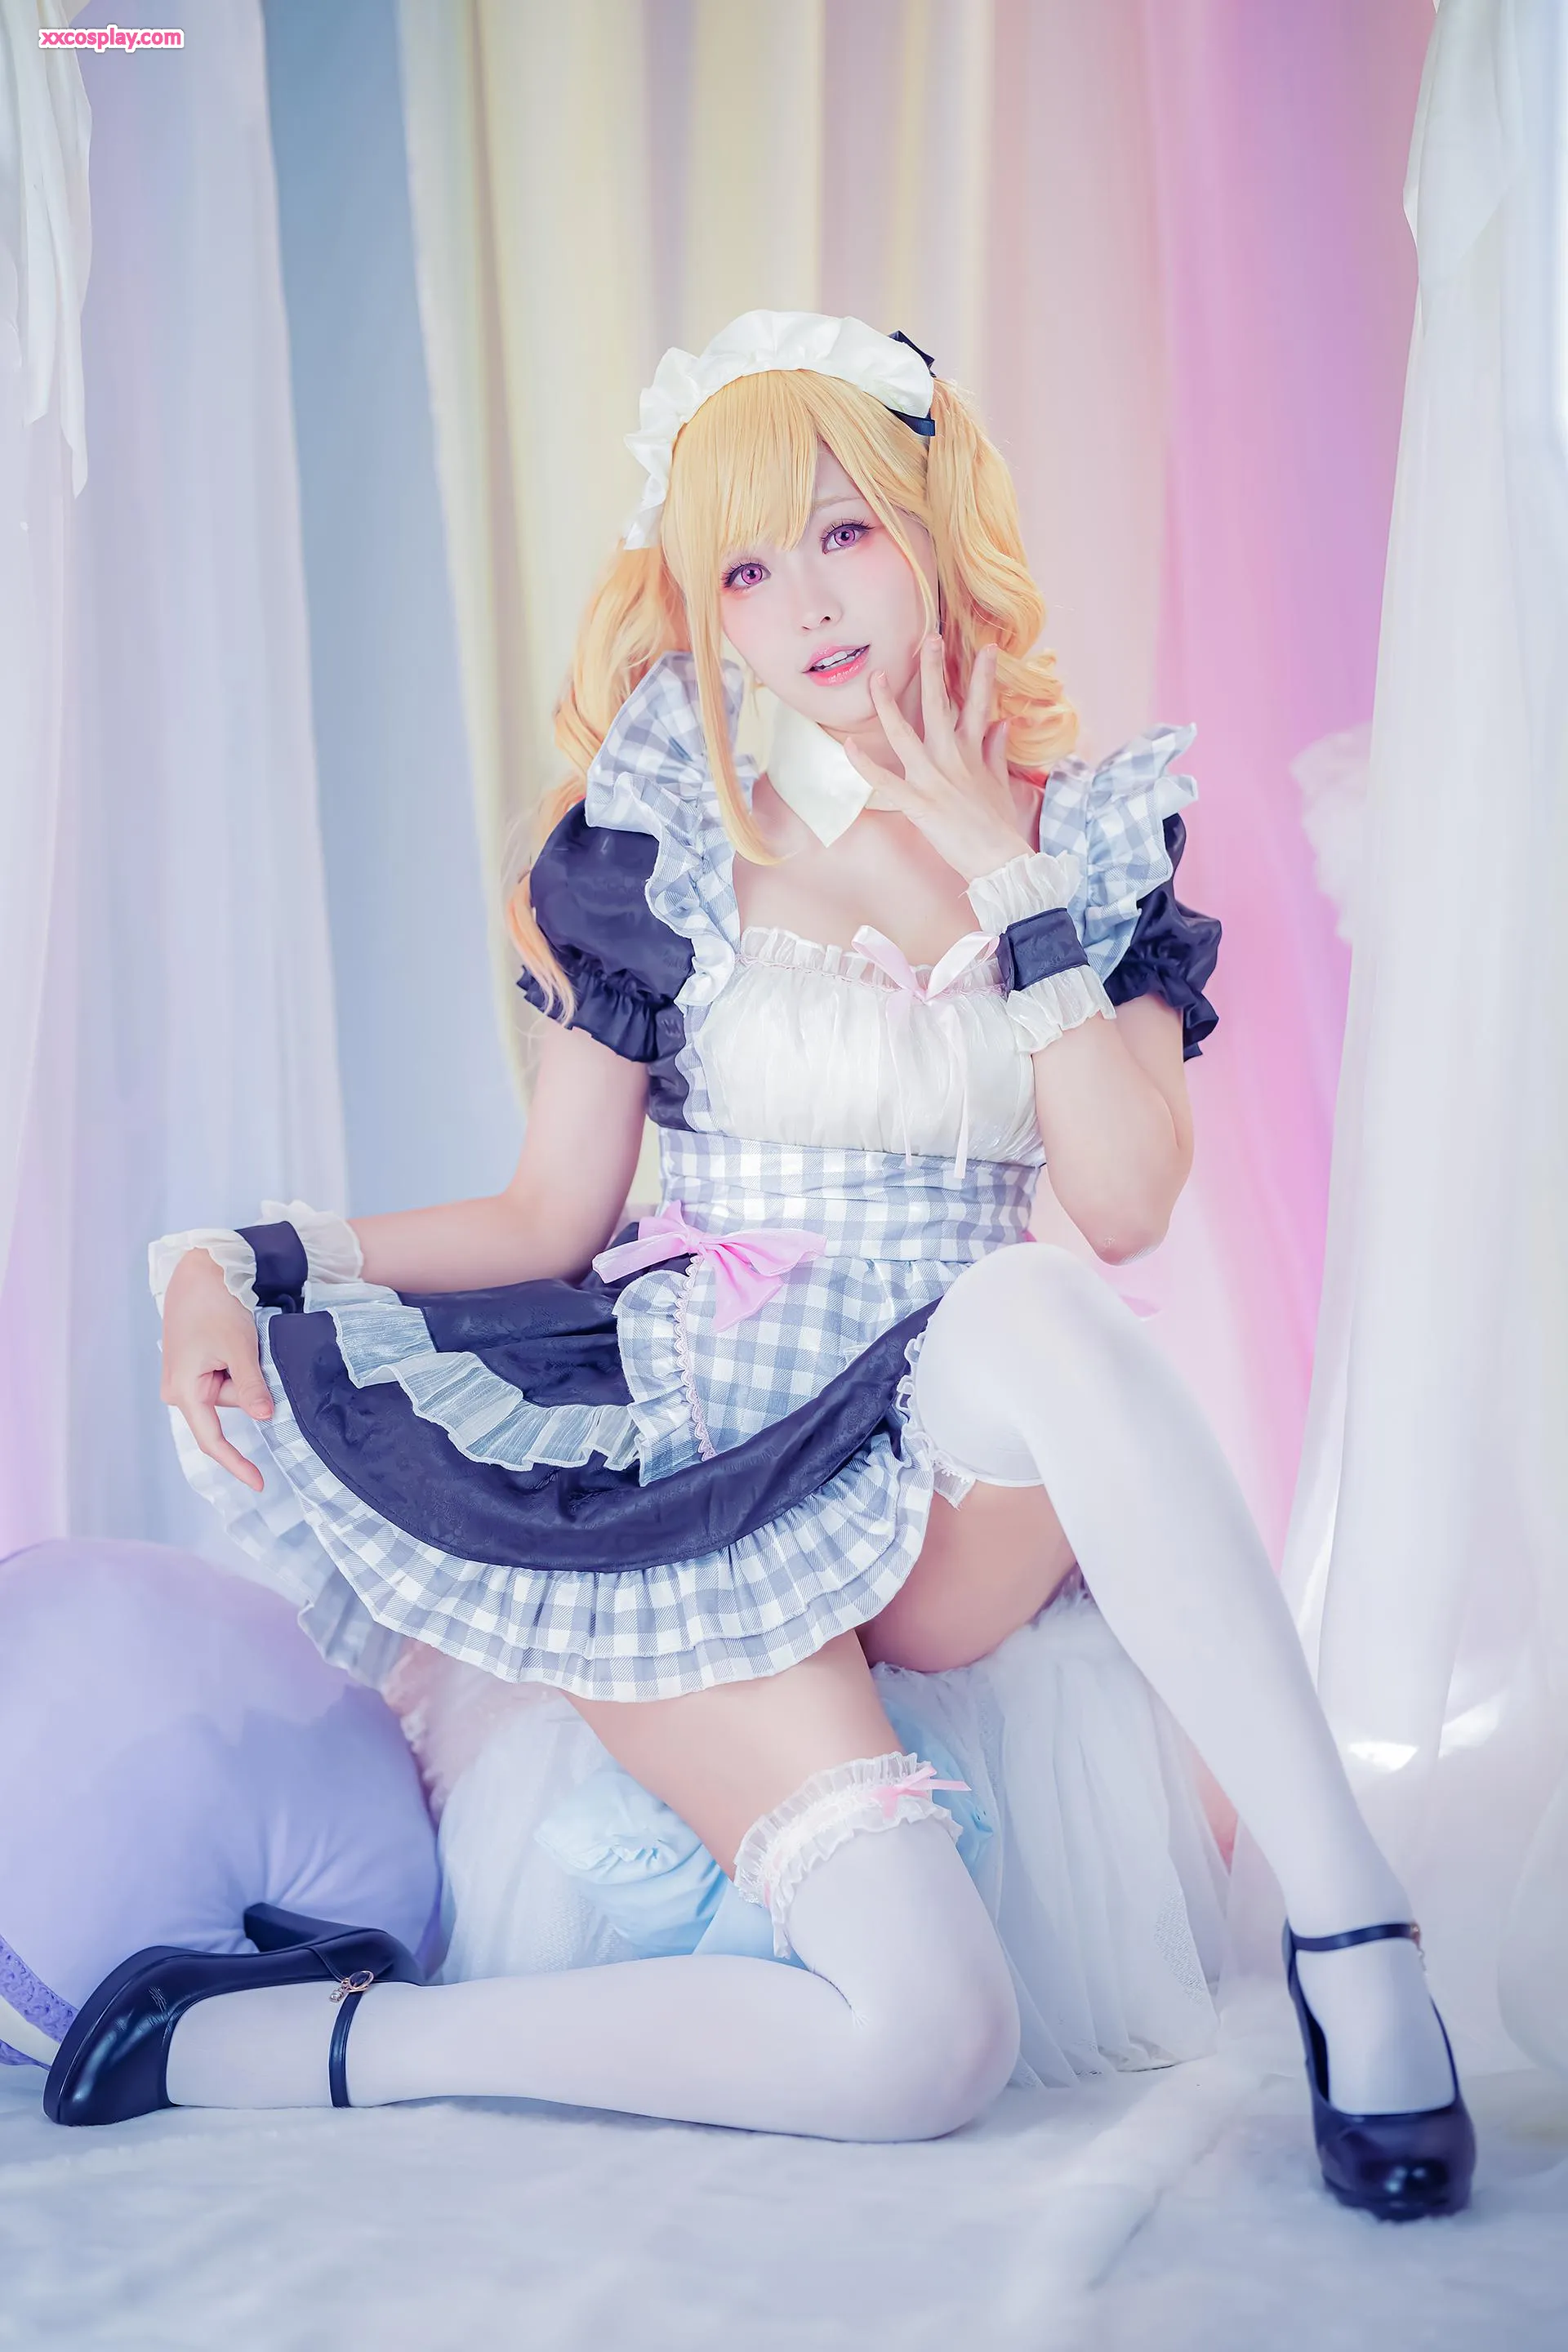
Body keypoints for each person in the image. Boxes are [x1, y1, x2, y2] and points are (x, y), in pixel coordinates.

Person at [48, 312, 1472, 2220]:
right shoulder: (659, 843)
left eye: (843, 533)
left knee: (1034, 1300)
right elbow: (546, 1220)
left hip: (946, 1473)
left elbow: (1127, 1204)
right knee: (924, 2045)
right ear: (702, 606)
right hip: (706, 1490)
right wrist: (238, 1255)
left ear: (933, 527)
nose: (802, 603)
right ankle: (305, 2044)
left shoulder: (1089, 836)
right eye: (741, 567)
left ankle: (1355, 1933)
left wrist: (1008, 878)